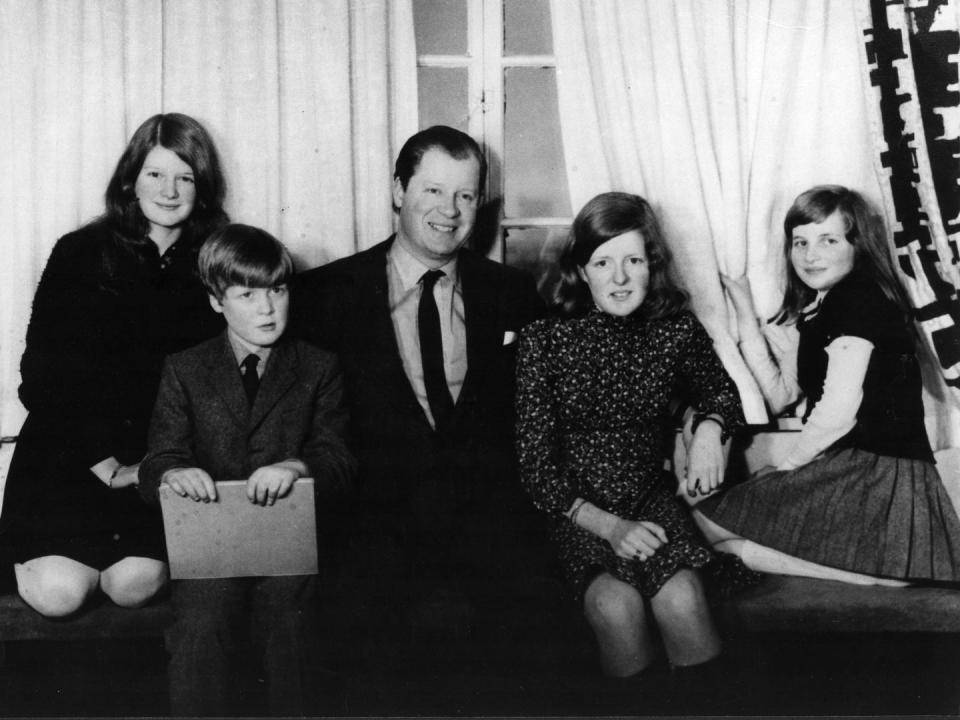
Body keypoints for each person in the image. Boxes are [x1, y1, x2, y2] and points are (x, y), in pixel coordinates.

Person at [292, 126, 548, 674]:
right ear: (397, 190)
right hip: (372, 539)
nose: (450, 211)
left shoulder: (513, 294)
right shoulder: (324, 296)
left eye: (465, 195)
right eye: (432, 190)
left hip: (488, 538)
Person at [0, 113, 228, 616]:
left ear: (203, 187)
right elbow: (41, 375)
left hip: (157, 468)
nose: (169, 191)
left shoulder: (216, 260)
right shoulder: (81, 253)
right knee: (61, 594)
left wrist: (160, 468)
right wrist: (103, 464)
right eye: (155, 174)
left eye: (185, 177)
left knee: (134, 584)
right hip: (69, 456)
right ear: (130, 179)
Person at [515, 191, 744, 682]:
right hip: (576, 510)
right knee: (615, 606)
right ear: (581, 269)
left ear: (651, 264)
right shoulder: (544, 340)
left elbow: (721, 393)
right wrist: (611, 528)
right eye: (603, 262)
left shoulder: (675, 331)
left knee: (683, 597)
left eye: (633, 259)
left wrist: (708, 428)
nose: (619, 278)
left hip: (649, 498)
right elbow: (536, 470)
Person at [139, 223, 356, 716]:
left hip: (289, 549)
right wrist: (174, 475)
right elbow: (159, 459)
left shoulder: (318, 366)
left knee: (293, 627)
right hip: (210, 551)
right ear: (217, 301)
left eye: (278, 290)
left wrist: (298, 466)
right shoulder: (185, 368)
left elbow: (339, 459)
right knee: (200, 628)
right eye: (247, 294)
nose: (266, 308)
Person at [695, 185, 960, 584]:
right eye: (799, 242)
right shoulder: (822, 308)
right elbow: (782, 394)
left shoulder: (857, 296)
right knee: (720, 541)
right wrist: (746, 316)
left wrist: (785, 469)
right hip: (880, 473)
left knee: (705, 525)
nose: (809, 254)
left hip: (873, 473)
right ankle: (878, 574)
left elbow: (838, 411)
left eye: (828, 240)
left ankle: (873, 575)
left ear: (858, 245)